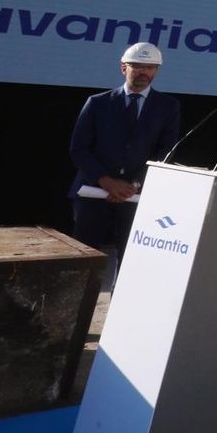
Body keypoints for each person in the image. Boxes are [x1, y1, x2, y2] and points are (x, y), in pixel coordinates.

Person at [69, 43, 182, 278]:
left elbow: (166, 151)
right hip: (93, 195)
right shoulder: (98, 103)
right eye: (137, 66)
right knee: (85, 263)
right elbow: (79, 149)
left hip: (137, 197)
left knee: (132, 262)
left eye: (149, 67)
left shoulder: (168, 107)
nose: (143, 72)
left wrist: (134, 186)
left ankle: (121, 313)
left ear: (156, 71)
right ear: (123, 68)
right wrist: (107, 181)